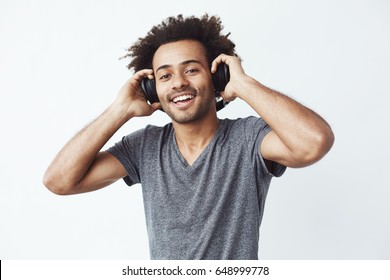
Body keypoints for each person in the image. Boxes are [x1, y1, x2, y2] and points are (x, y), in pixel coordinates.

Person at [43, 14, 334, 259]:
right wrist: (120, 110)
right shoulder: (144, 146)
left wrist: (245, 85)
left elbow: (314, 143)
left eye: (192, 69)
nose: (179, 82)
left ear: (217, 76)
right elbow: (59, 181)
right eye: (165, 76)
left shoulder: (249, 138)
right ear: (151, 89)